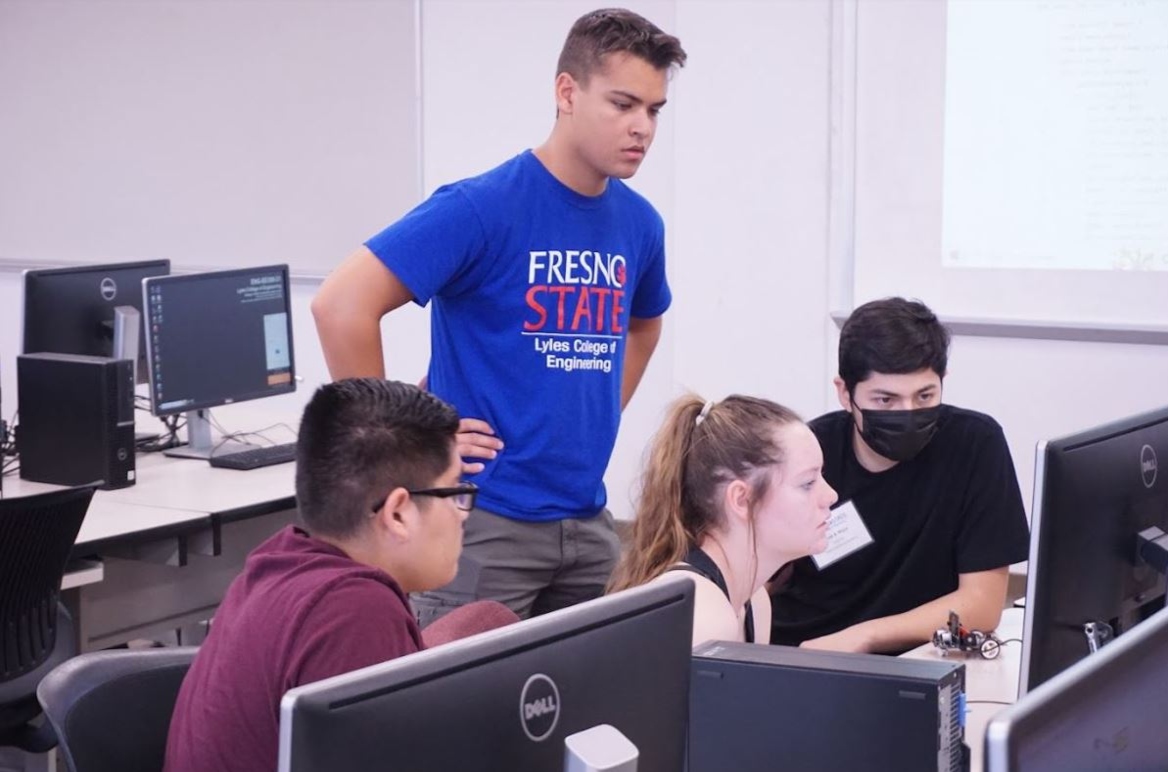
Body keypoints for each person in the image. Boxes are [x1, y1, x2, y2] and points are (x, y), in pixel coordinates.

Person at [311, 9, 687, 625]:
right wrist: (400, 446)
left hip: (588, 523)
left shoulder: (639, 224)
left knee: (590, 706)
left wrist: (595, 411)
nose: (641, 127)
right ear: (567, 92)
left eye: (653, 110)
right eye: (622, 104)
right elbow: (341, 306)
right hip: (481, 525)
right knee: (455, 715)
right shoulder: (483, 207)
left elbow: (645, 323)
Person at [164, 379, 516, 772]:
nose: (462, 513)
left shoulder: (279, 558)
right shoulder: (355, 611)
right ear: (398, 513)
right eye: (453, 491)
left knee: (487, 620)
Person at [770, 298, 1031, 654]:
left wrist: (866, 636)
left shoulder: (974, 444)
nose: (907, 413)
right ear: (845, 393)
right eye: (885, 401)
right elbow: (757, 576)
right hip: (806, 650)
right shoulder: (810, 452)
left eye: (925, 396)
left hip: (915, 656)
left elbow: (982, 605)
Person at [608, 395, 837, 647]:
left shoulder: (755, 602)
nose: (831, 495)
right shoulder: (702, 617)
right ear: (742, 499)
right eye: (807, 483)